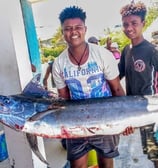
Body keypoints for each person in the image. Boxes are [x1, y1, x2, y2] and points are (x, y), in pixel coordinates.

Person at [52, 6, 133, 168]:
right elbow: (64, 99)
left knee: (105, 164)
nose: (73, 32)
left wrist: (126, 119)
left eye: (78, 27)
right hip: (76, 124)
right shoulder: (58, 63)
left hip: (106, 119)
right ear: (63, 32)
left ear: (85, 29)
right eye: (68, 28)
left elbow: (116, 89)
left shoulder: (103, 55)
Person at [118, 1, 158, 163]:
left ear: (144, 23)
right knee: (149, 150)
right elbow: (117, 76)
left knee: (154, 149)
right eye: (125, 24)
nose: (129, 28)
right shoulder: (126, 50)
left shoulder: (152, 51)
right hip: (133, 110)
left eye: (134, 23)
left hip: (152, 111)